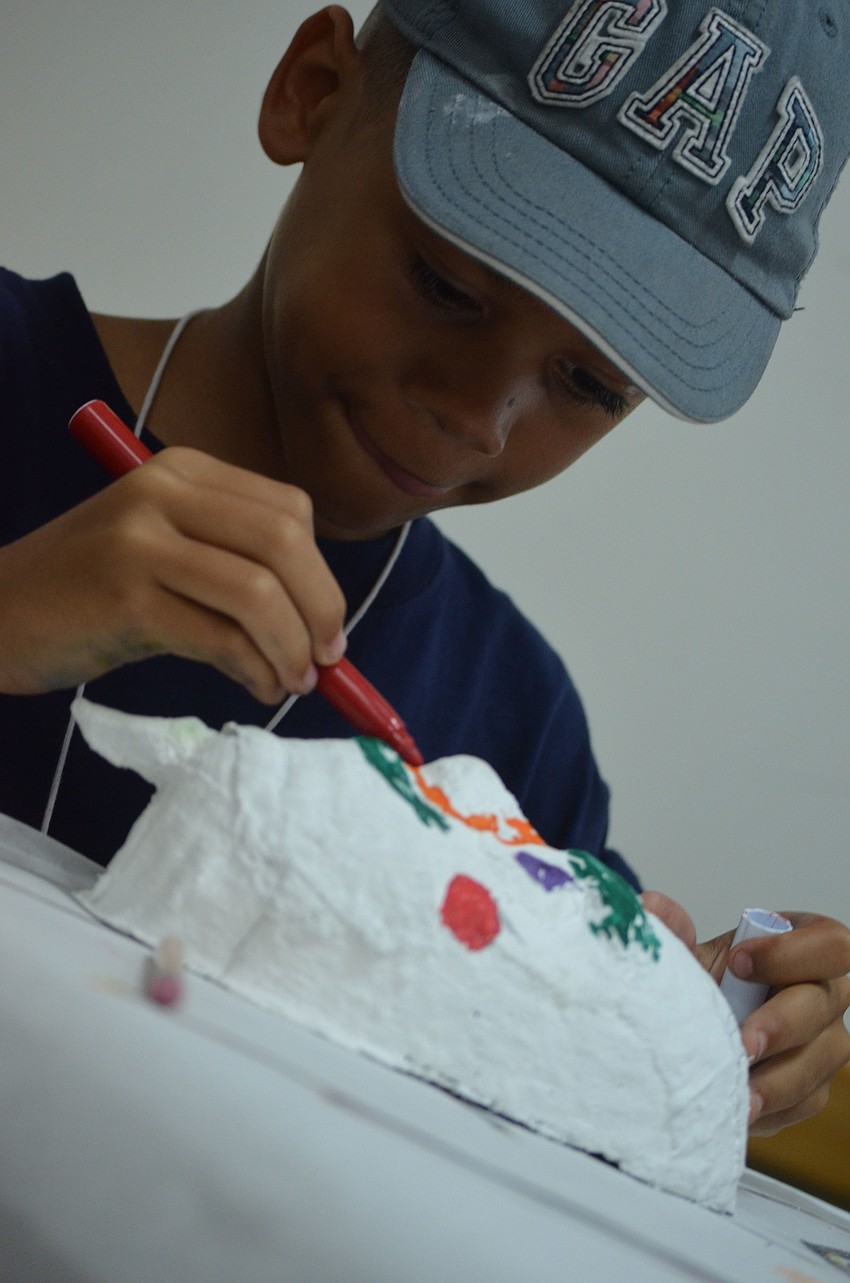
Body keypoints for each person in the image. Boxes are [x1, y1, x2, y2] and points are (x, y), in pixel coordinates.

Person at [1, 0, 848, 1138]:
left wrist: (700, 1015)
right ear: (312, 90)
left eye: (590, 386)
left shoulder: (517, 729)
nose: (479, 417)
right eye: (448, 287)